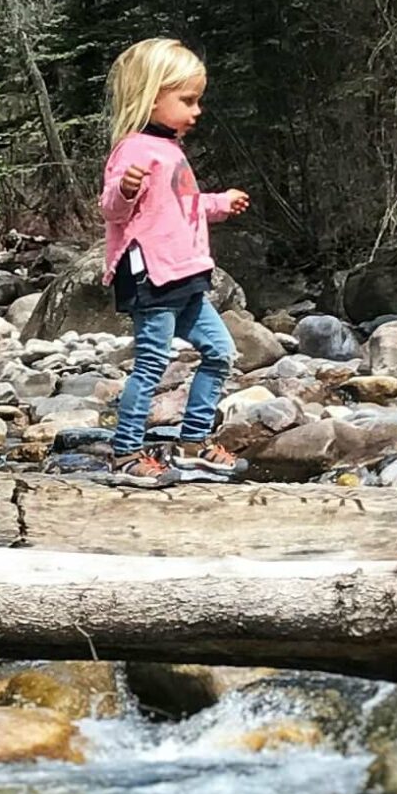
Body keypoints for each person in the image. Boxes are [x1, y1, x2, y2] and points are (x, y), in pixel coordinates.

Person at [97, 36, 251, 484]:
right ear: (151, 96)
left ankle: (192, 442)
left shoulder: (171, 150)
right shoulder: (133, 149)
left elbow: (182, 205)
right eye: (186, 100)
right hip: (152, 276)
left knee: (220, 352)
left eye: (197, 100)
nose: (195, 111)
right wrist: (124, 188)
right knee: (151, 363)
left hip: (186, 275)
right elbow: (112, 210)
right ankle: (125, 452)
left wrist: (220, 203)